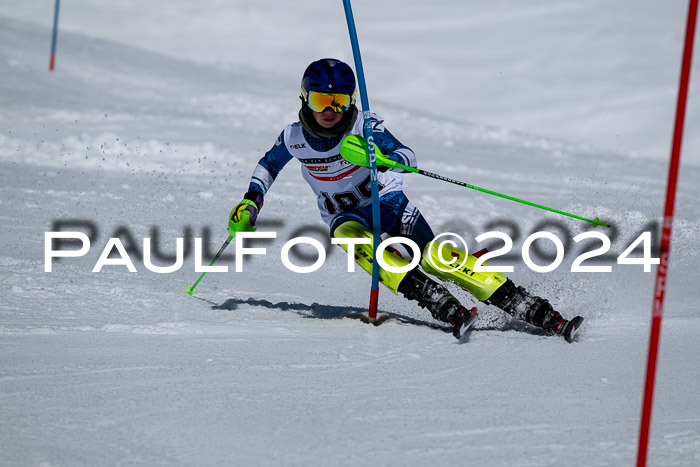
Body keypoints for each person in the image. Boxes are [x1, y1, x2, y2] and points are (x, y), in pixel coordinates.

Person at [230, 58, 583, 342]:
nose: (330, 110)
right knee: (365, 249)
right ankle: (438, 302)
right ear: (305, 98)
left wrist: (383, 157)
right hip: (343, 215)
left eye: (339, 101)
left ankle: (531, 308)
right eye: (322, 100)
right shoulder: (293, 137)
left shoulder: (363, 127)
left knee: (438, 258)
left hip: (388, 202)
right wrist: (251, 202)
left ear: (351, 100)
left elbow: (408, 156)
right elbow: (267, 166)